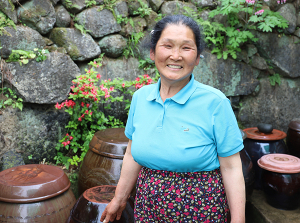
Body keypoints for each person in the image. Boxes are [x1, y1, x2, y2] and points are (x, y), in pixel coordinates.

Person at [100, 15, 245, 223]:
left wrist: (238, 221)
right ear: (152, 52)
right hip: (148, 209)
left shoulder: (215, 103)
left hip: (200, 211)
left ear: (196, 58)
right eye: (167, 46)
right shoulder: (141, 98)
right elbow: (132, 153)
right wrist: (119, 198)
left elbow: (231, 168)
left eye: (186, 48)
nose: (176, 56)